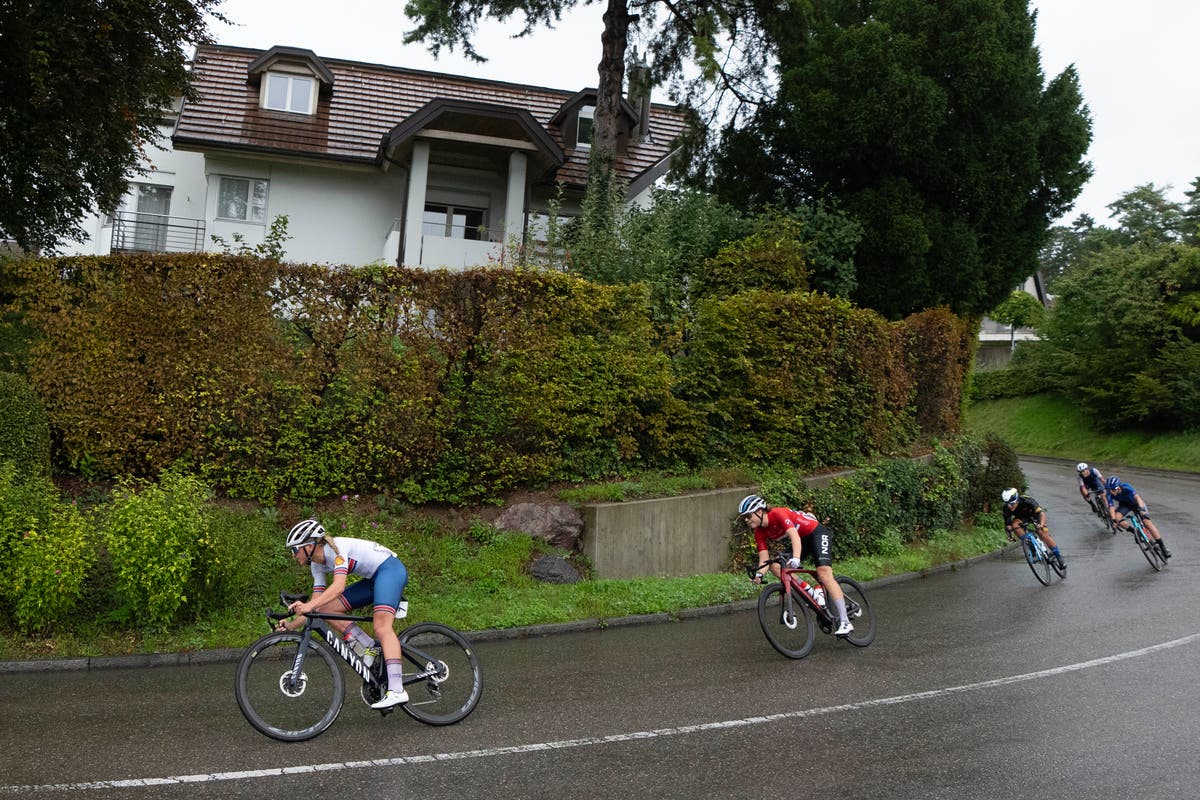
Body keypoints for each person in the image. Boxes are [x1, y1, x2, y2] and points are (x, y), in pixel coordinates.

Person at [279, 519, 411, 709]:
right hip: (374, 579)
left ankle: (397, 690)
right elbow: (317, 608)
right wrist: (290, 624)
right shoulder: (316, 565)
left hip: (390, 571)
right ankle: (368, 647)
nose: (293, 556)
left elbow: (339, 587)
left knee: (382, 627)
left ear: (308, 546)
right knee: (324, 609)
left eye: (294, 550)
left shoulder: (336, 550)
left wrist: (309, 606)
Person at [738, 494, 855, 637]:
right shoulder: (759, 532)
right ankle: (811, 592)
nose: (747, 519)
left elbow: (794, 535)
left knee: (824, 574)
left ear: (760, 511)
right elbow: (764, 559)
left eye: (749, 515)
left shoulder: (778, 514)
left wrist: (796, 558)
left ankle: (845, 621)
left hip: (816, 533)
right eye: (745, 517)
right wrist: (759, 574)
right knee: (776, 566)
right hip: (803, 540)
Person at [1105, 475, 1171, 559]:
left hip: (1136, 503)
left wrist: (1142, 509)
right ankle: (1135, 532)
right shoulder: (1109, 494)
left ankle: (1163, 547)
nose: (1111, 492)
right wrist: (1114, 520)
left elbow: (1137, 497)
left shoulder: (1126, 487)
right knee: (1117, 518)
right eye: (1109, 490)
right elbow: (1111, 507)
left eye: (1112, 489)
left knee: (1147, 523)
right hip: (1125, 505)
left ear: (1118, 488)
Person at [1001, 488, 1067, 571]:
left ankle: (1058, 555)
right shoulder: (1006, 508)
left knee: (1042, 532)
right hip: (1022, 518)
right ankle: (1030, 543)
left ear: (1017, 499)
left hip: (1035, 515)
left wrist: (1041, 524)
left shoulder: (1027, 500)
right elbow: (1008, 526)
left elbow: (1041, 513)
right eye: (1007, 504)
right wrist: (1009, 535)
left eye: (1012, 503)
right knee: (1014, 525)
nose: (1010, 506)